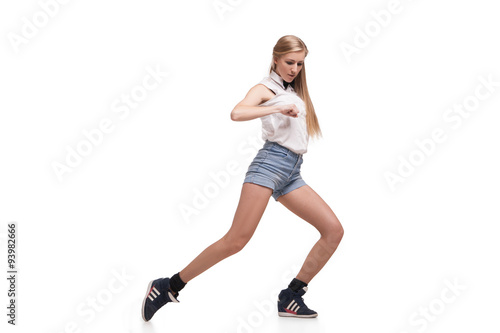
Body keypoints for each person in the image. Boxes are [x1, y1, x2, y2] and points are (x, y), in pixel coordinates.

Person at [141, 35, 344, 321]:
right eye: (289, 62)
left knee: (333, 231)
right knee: (236, 240)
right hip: (269, 166)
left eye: (300, 63)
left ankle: (292, 296)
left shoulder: (295, 92)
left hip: (292, 172)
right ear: (275, 59)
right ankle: (168, 286)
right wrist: (275, 106)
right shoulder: (265, 88)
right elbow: (237, 112)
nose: (294, 68)